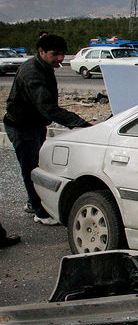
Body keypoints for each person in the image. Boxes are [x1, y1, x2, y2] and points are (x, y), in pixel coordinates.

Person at [4, 34, 91, 226]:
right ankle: (40, 211)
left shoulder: (44, 66)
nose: (60, 58)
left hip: (34, 124)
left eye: (63, 54)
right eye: (55, 54)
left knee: (37, 164)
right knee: (31, 168)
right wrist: (83, 126)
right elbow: (49, 108)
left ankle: (32, 201)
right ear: (41, 52)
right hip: (22, 127)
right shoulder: (33, 73)